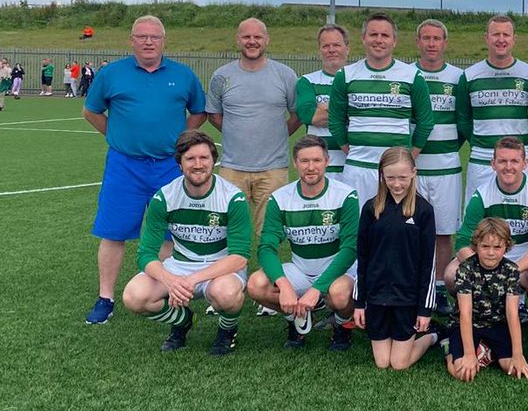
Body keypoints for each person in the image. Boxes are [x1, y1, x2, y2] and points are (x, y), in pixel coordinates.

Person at [82, 15, 208, 325]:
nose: (148, 41)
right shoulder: (112, 74)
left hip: (169, 167)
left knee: (171, 232)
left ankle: (166, 289)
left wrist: (181, 142)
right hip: (125, 166)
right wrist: (117, 136)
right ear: (132, 40)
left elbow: (199, 112)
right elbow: (91, 111)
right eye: (142, 36)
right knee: (114, 232)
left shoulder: (183, 75)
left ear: (164, 41)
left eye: (154, 36)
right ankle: (105, 298)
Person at [119, 130, 250, 356]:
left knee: (226, 294)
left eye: (204, 158)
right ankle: (183, 320)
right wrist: (171, 281)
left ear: (213, 161)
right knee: (134, 296)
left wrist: (191, 280)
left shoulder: (232, 197)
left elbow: (239, 256)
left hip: (221, 266)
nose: (198, 165)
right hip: (180, 264)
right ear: (179, 163)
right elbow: (146, 254)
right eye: (190, 159)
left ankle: (227, 331)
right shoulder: (164, 197)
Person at [247, 135, 359, 351]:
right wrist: (285, 286)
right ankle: (295, 319)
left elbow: (349, 250)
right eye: (304, 161)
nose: (311, 167)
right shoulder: (280, 198)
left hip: (338, 270)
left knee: (340, 294)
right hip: (301, 268)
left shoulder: (345, 196)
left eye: (317, 161)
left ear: (327, 161)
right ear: (295, 163)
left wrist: (317, 289)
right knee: (256, 284)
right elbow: (267, 247)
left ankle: (343, 325)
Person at [206, 18, 300, 236]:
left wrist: (274, 134)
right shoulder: (222, 76)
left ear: (266, 40)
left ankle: (268, 271)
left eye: (257, 37)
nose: (252, 41)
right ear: (238, 40)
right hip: (232, 168)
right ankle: (232, 271)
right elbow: (214, 115)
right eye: (246, 37)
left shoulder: (285, 75)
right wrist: (237, 132)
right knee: (227, 232)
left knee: (270, 234)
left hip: (273, 170)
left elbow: (297, 115)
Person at [329, 13, 434, 205]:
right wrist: (353, 151)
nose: (379, 40)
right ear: (363, 38)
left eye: (385, 35)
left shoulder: (412, 76)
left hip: (396, 173)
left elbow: (426, 121)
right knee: (360, 230)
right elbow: (335, 121)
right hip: (357, 169)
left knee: (396, 230)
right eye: (373, 34)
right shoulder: (345, 75)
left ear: (394, 41)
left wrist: (407, 159)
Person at [353, 147, 441, 370]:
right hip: (377, 297)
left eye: (402, 177)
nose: (397, 184)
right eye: (390, 177)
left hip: (407, 299)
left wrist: (424, 310)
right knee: (383, 363)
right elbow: (362, 258)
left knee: (399, 364)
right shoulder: (371, 208)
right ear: (381, 175)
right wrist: (359, 303)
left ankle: (432, 336)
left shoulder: (423, 211)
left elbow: (428, 264)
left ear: (413, 172)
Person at [446, 136, 528, 293]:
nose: (508, 167)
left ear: (525, 164)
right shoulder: (481, 196)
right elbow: (462, 242)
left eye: (514, 161)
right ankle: (473, 308)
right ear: (493, 164)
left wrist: (511, 269)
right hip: (489, 255)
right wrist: (483, 268)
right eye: (502, 161)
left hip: (524, 257)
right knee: (451, 274)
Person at [412, 19, 466, 302]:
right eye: (426, 38)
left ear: (445, 43)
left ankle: (441, 292)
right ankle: (415, 289)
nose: (431, 44)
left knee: (443, 232)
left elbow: (463, 123)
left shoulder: (458, 78)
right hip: (412, 170)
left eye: (437, 39)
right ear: (417, 42)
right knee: (410, 232)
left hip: (447, 169)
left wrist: (446, 148)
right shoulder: (406, 75)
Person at [457, 15, 528, 197]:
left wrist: (520, 145)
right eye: (495, 34)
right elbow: (463, 120)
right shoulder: (469, 76)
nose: (501, 39)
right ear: (486, 37)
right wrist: (481, 141)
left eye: (506, 35)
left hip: (521, 159)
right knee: (480, 220)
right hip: (482, 160)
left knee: (523, 218)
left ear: (514, 39)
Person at [445, 218, 528, 382]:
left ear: (506, 246)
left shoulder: (511, 270)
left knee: (513, 370)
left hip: (497, 325)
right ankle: (450, 351)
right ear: (476, 245)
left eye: (497, 247)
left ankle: (487, 352)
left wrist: (518, 355)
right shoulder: (466, 269)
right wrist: (469, 355)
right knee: (462, 373)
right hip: (469, 324)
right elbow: (465, 312)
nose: (491, 252)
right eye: (485, 246)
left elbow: (512, 313)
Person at [295, 24, 351, 181]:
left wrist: (325, 108)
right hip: (319, 168)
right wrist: (349, 110)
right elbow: (310, 117)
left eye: (336, 45)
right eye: (326, 46)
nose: (331, 50)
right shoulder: (307, 81)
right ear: (320, 50)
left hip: (353, 165)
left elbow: (367, 116)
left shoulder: (359, 79)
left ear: (347, 48)